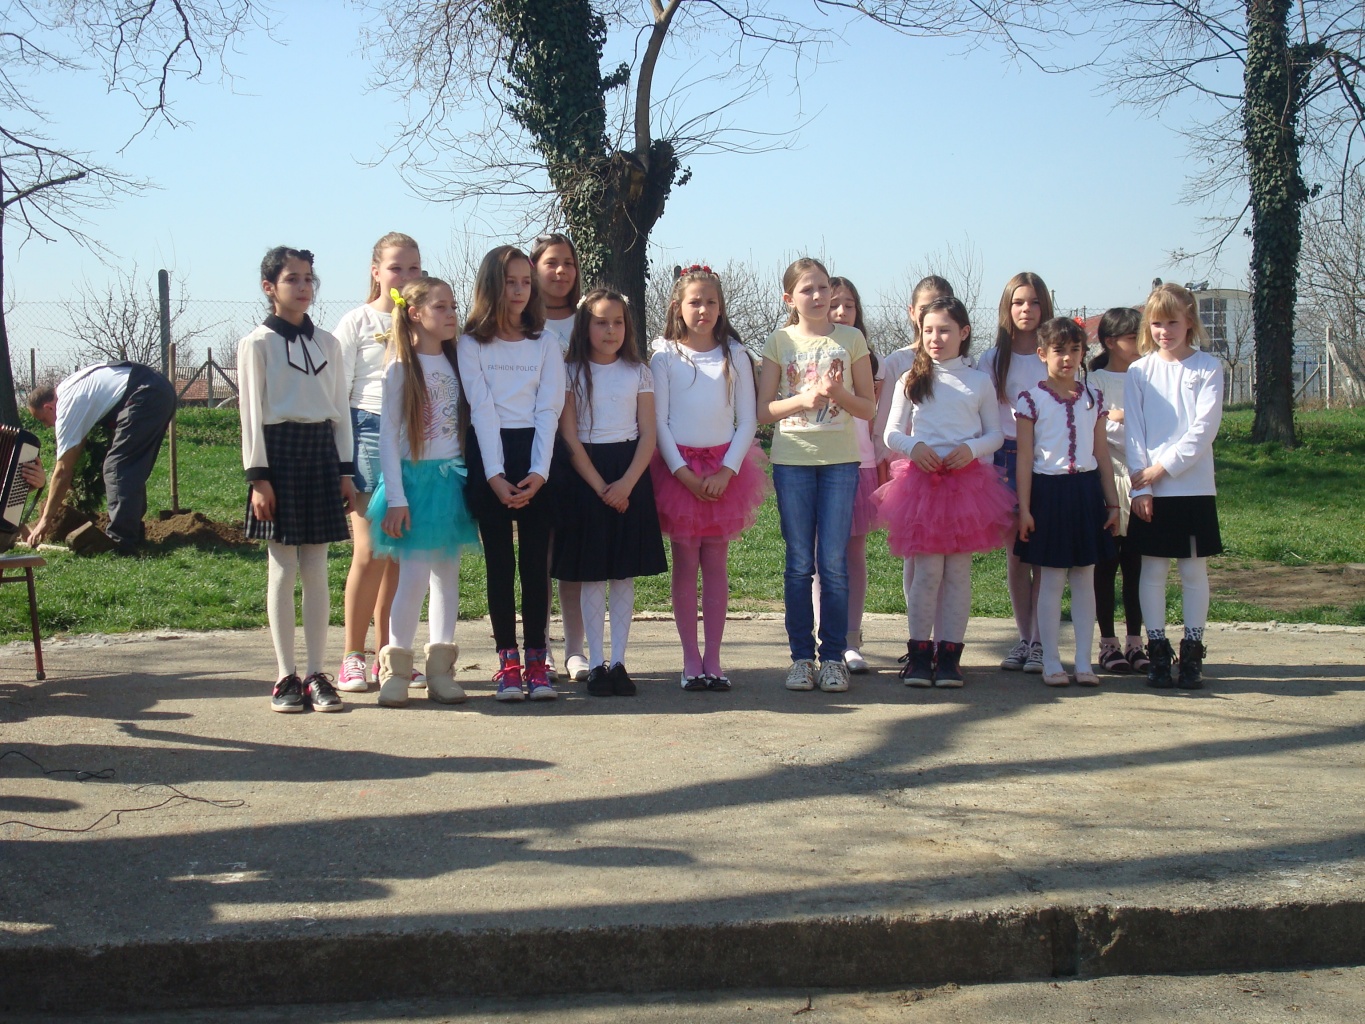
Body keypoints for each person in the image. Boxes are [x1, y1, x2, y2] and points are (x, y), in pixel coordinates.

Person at [237, 246, 357, 713]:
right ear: (269, 287)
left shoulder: (328, 343)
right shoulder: (257, 344)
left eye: (309, 278)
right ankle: (285, 675)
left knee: (317, 567)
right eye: (292, 279)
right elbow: (250, 415)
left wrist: (345, 469)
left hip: (321, 453)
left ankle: (316, 673)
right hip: (279, 455)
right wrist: (259, 478)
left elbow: (340, 409)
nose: (304, 287)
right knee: (283, 567)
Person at [878, 297, 1013, 687]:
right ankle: (920, 655)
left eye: (944, 330)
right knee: (926, 572)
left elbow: (995, 434)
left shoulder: (978, 381)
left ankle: (950, 656)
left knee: (957, 573)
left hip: (966, 487)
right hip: (922, 486)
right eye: (928, 330)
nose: (935, 338)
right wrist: (913, 447)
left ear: (963, 333)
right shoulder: (910, 379)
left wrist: (971, 449)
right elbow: (891, 432)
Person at [758, 257, 876, 694]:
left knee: (834, 564)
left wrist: (839, 393)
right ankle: (801, 659)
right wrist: (802, 400)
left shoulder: (851, 339)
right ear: (789, 299)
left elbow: (869, 408)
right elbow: (763, 410)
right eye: (807, 289)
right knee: (798, 564)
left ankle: (833, 659)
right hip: (793, 462)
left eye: (823, 287)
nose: (819, 296)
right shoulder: (779, 341)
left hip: (841, 463)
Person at [650, 265, 767, 691]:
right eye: (695, 302)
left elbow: (748, 419)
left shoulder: (735, 354)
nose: (703, 309)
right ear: (677, 307)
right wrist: (682, 473)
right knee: (685, 564)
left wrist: (727, 470)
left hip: (724, 471)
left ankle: (714, 659)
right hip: (678, 472)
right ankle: (690, 661)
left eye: (711, 302)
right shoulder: (664, 355)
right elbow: (659, 421)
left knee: (716, 563)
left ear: (721, 308)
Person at [457, 245, 565, 702]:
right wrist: (495, 476)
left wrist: (539, 473)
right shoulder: (471, 343)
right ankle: (507, 663)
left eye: (526, 282)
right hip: (490, 457)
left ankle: (538, 661)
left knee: (535, 566)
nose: (520, 291)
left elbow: (549, 409)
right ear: (491, 286)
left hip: (537, 456)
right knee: (499, 565)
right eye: (510, 282)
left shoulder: (546, 343)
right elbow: (481, 409)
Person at [366, 276, 480, 707]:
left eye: (453, 306)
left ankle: (440, 671)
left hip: (451, 481)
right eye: (441, 307)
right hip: (413, 484)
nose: (452, 314)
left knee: (446, 575)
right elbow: (387, 438)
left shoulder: (458, 361)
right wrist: (396, 498)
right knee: (413, 576)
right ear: (415, 314)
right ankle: (396, 669)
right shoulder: (400, 367)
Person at [554, 287, 667, 696]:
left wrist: (626, 484)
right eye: (601, 322)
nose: (610, 330)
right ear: (585, 326)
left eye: (618, 322)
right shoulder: (570, 372)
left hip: (629, 473)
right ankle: (596, 663)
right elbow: (569, 436)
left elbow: (649, 434)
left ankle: (619, 662)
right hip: (586, 476)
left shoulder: (639, 372)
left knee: (622, 571)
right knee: (591, 572)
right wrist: (601, 486)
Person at [333, 231, 423, 693]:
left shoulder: (424, 321)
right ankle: (352, 656)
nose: (405, 277)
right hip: (366, 431)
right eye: (395, 268)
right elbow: (338, 393)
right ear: (375, 272)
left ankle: (390, 656)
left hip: (414, 438)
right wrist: (342, 463)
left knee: (399, 552)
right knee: (371, 552)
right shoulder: (357, 321)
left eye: (414, 268)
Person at [1125, 283, 1224, 690]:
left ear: (1189, 322)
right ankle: (1158, 652)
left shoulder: (1207, 367)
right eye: (1156, 323)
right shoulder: (1139, 372)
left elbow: (1204, 429)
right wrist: (1141, 487)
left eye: (1172, 322)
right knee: (1152, 570)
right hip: (1150, 489)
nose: (1164, 331)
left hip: (1193, 487)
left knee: (1193, 570)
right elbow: (1134, 432)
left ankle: (1193, 652)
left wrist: (1162, 468)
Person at [1014, 317, 1120, 687]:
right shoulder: (1031, 400)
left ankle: (1084, 662)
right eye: (1059, 350)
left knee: (1085, 577)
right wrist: (1025, 508)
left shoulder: (1093, 398)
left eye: (1075, 350)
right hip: (1049, 493)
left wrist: (1113, 504)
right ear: (1042, 354)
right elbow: (1024, 458)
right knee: (1052, 578)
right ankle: (1050, 660)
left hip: (1086, 492)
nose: (1067, 358)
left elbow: (1102, 454)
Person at [27, 360, 177, 555]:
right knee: (129, 466)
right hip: (158, 388)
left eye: (43, 420)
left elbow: (62, 470)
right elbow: (76, 449)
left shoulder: (66, 407)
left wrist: (44, 521)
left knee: (117, 467)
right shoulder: (69, 388)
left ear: (48, 407)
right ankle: (133, 533)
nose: (47, 426)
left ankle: (120, 542)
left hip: (145, 394)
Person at [987, 272, 1053, 674]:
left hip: (1045, 458)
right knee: (1016, 555)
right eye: (1018, 302)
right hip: (1004, 458)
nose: (1026, 309)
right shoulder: (992, 359)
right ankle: (1025, 638)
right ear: (1007, 308)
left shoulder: (1053, 355)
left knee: (1041, 553)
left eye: (1033, 302)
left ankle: (1043, 641)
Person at [530, 231, 584, 683]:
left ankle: (576, 648)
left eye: (568, 262)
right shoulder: (522, 322)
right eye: (551, 262)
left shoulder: (589, 320)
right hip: (537, 445)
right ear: (534, 268)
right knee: (541, 553)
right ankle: (540, 643)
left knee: (574, 552)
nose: (561, 271)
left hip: (585, 446)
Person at [820, 276, 878, 672]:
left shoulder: (866, 356)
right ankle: (823, 637)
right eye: (834, 304)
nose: (841, 312)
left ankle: (851, 640)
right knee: (818, 556)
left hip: (859, 462)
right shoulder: (803, 348)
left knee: (853, 553)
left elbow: (874, 414)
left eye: (849, 305)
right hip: (816, 463)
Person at [1088, 307, 1148, 674]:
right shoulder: (1095, 381)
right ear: (1111, 342)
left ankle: (1137, 642)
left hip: (1144, 483)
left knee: (1137, 566)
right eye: (1133, 337)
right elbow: (1098, 430)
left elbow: (1157, 428)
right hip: (1107, 482)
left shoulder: (1148, 376)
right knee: (1106, 565)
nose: (1143, 342)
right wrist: (1121, 421)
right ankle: (1108, 644)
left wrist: (1123, 418)